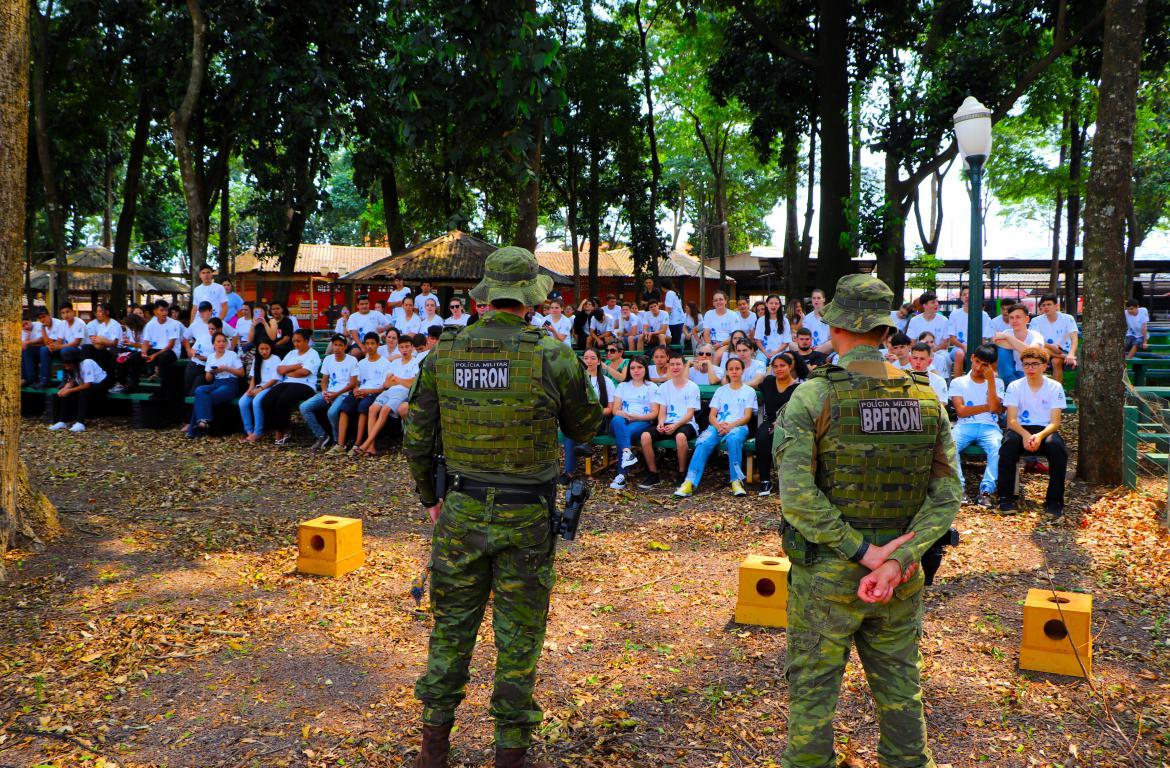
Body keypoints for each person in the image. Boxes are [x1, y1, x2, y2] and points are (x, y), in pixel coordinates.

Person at [403, 246, 602, 768]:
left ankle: (433, 749)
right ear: (531, 297)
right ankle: (510, 753)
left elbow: (417, 438)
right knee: (518, 636)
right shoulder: (552, 355)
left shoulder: (444, 352)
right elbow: (586, 429)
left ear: (486, 293)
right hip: (527, 516)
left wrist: (431, 499)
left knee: (450, 629)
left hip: (461, 510)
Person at [773, 273, 961, 768]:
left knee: (813, 699)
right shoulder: (926, 399)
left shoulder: (814, 397)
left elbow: (796, 495)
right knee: (902, 693)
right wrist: (898, 558)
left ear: (835, 326)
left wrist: (861, 551)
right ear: (883, 332)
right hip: (900, 578)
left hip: (828, 575)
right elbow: (947, 494)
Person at [998, 347, 1068, 516]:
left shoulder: (1054, 387)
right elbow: (1011, 420)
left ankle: (1054, 501)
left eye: (1035, 364)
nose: (1030, 368)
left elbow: (1055, 422)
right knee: (1008, 446)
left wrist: (1040, 436)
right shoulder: (1015, 386)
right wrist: (1025, 435)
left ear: (1045, 366)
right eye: (1026, 364)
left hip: (1045, 430)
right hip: (1020, 429)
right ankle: (1005, 498)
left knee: (1057, 448)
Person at [673, 356, 755, 498]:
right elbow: (712, 415)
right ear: (727, 372)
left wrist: (730, 426)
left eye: (737, 369)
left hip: (738, 426)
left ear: (743, 371)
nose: (734, 372)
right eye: (731, 369)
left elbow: (747, 416)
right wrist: (718, 426)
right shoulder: (721, 391)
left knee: (733, 440)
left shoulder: (749, 391)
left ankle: (736, 481)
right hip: (717, 426)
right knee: (703, 443)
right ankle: (689, 482)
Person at [948, 344, 1004, 507]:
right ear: (971, 358)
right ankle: (960, 488)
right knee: (950, 445)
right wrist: (988, 406)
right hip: (965, 426)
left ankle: (986, 491)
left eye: (984, 365)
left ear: (991, 366)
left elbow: (996, 408)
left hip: (989, 427)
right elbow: (961, 411)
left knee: (998, 447)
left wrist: (991, 381)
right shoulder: (959, 382)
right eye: (977, 362)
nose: (979, 367)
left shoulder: (998, 383)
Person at [640, 351, 700, 488]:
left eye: (678, 364)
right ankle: (653, 474)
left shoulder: (692, 387)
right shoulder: (664, 387)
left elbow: (690, 413)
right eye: (672, 364)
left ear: (684, 366)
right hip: (667, 422)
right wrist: (661, 423)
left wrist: (675, 425)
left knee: (680, 437)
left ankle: (682, 473)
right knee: (645, 436)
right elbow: (662, 410)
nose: (675, 367)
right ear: (668, 367)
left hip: (686, 423)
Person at [355, 333, 420, 456]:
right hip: (390, 391)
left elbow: (412, 384)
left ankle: (366, 444)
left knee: (385, 410)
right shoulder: (394, 363)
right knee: (372, 409)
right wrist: (400, 381)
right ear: (398, 348)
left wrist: (397, 380)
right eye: (401, 347)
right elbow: (386, 384)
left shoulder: (415, 363)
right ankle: (371, 447)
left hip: (402, 392)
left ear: (412, 347)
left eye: (407, 347)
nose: (404, 350)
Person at [560, 348, 612, 485]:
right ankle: (569, 472)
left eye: (593, 358)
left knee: (577, 426)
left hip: (599, 421)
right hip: (579, 421)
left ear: (599, 361)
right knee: (568, 430)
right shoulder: (576, 381)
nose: (588, 361)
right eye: (586, 358)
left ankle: (584, 444)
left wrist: (593, 413)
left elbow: (610, 409)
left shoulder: (607, 381)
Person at [261, 329, 321, 446]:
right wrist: (294, 367)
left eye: (299, 341)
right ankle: (285, 428)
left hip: (305, 385)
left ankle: (280, 434)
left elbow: (304, 372)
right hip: (287, 383)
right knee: (267, 401)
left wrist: (287, 371)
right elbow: (279, 369)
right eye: (294, 341)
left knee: (282, 401)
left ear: (307, 341)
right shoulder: (291, 353)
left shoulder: (313, 354)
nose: (296, 344)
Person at [299, 334, 358, 450]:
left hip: (343, 394)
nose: (337, 348)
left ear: (345, 347)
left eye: (340, 345)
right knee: (304, 407)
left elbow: (352, 383)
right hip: (329, 392)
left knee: (332, 413)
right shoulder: (328, 359)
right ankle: (321, 435)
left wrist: (335, 394)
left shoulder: (352, 360)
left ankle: (337, 441)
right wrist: (325, 392)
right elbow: (324, 380)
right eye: (335, 345)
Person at [608, 356, 659, 490]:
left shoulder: (651, 387)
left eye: (639, 367)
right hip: (622, 421)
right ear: (629, 370)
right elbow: (615, 410)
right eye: (632, 368)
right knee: (618, 420)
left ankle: (621, 476)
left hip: (642, 422)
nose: (636, 370)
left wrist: (637, 417)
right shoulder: (622, 386)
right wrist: (623, 414)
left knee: (624, 435)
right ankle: (627, 452)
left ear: (645, 369)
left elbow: (654, 413)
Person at [755, 351, 800, 496]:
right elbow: (755, 384)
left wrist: (781, 422)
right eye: (775, 366)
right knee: (762, 437)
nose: (779, 369)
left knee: (787, 438)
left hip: (789, 422)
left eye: (782, 365)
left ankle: (788, 480)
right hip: (770, 420)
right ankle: (765, 480)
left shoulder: (797, 387)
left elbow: (798, 411)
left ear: (790, 366)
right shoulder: (768, 382)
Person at [336, 332, 390, 452]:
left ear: (378, 345)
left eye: (372, 343)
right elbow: (356, 382)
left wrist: (368, 391)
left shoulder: (385, 363)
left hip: (374, 393)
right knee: (344, 408)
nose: (369, 346)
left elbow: (384, 387)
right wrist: (356, 390)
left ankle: (357, 443)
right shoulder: (361, 363)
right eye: (367, 343)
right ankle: (340, 444)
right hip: (360, 392)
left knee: (363, 407)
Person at [185, 332, 245, 437]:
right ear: (213, 344)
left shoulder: (232, 354)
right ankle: (203, 422)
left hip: (230, 384)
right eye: (218, 341)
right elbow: (208, 379)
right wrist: (211, 371)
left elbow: (241, 373)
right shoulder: (211, 357)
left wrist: (227, 368)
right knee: (199, 391)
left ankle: (197, 427)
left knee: (203, 398)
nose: (221, 344)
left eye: (223, 341)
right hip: (216, 382)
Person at [48, 346, 111, 433]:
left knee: (83, 391)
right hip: (86, 385)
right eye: (65, 365)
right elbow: (71, 381)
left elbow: (87, 385)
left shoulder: (87, 363)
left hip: (100, 385)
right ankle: (62, 421)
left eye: (68, 365)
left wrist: (69, 390)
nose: (67, 368)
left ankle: (80, 423)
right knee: (64, 392)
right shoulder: (70, 368)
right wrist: (64, 389)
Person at [132, 299, 184, 395]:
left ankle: (163, 389)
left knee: (162, 358)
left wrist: (155, 355)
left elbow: (170, 345)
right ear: (155, 311)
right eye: (161, 310)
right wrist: (143, 352)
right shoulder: (150, 324)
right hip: (156, 350)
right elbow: (146, 342)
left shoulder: (174, 324)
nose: (165, 313)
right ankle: (133, 385)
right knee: (134, 357)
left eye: (166, 310)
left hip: (171, 351)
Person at [239, 339, 282, 442]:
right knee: (243, 402)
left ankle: (258, 431)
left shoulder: (275, 359)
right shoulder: (257, 359)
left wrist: (260, 389)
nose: (264, 351)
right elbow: (254, 377)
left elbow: (274, 379)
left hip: (271, 387)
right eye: (261, 349)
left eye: (266, 348)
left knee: (257, 401)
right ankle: (249, 431)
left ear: (271, 348)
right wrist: (250, 389)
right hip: (259, 386)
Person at [1029, 293, 1079, 380]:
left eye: (1049, 304)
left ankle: (1057, 392)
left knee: (1056, 361)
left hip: (1064, 350)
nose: (1046, 307)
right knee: (1038, 350)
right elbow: (1034, 340)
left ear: (1056, 306)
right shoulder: (1036, 321)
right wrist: (1052, 347)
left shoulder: (1068, 318)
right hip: (1045, 349)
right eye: (1043, 305)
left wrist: (1071, 354)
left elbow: (1074, 338)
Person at [946, 286, 993, 377]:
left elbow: (983, 339)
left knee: (983, 356)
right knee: (959, 353)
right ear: (961, 298)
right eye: (964, 294)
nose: (967, 296)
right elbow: (952, 339)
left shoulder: (983, 315)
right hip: (959, 348)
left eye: (969, 294)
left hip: (977, 348)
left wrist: (977, 349)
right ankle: (957, 384)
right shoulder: (955, 314)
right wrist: (964, 346)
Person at [37, 302, 86, 388]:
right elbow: (59, 341)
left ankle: (66, 379)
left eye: (67, 312)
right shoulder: (63, 324)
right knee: (44, 349)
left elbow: (76, 343)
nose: (65, 315)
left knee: (65, 350)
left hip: (80, 350)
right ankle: (45, 380)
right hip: (66, 350)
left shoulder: (79, 323)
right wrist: (52, 346)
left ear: (73, 312)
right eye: (63, 313)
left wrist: (58, 346)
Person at [993, 303, 1044, 384]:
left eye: (1018, 317)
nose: (1014, 321)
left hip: (1029, 373)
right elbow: (996, 341)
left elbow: (1031, 353)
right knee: (1002, 350)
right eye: (1011, 318)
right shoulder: (1006, 332)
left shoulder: (1036, 336)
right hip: (1010, 373)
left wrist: (1009, 338)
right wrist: (1021, 347)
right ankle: (1010, 385)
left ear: (1027, 319)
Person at [183, 302, 217, 394]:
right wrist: (189, 351)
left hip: (207, 366)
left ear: (210, 311)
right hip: (194, 363)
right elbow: (185, 337)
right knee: (187, 390)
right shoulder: (196, 325)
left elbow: (234, 334)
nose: (202, 313)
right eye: (200, 311)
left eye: (204, 311)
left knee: (195, 391)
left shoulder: (219, 323)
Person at [83, 303, 121, 374]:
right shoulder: (98, 325)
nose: (98, 313)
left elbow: (114, 343)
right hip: (100, 349)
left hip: (114, 350)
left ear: (107, 312)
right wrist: (101, 341)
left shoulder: (115, 324)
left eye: (100, 311)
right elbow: (95, 341)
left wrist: (102, 341)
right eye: (96, 312)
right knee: (86, 347)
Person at [702, 292, 738, 365]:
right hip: (711, 343)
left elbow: (735, 336)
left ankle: (714, 375)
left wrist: (720, 344)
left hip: (727, 343)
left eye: (721, 299)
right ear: (713, 303)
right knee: (702, 355)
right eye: (716, 300)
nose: (718, 302)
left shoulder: (733, 315)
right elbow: (706, 333)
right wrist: (709, 346)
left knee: (716, 356)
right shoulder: (709, 314)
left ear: (725, 301)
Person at [754, 295, 791, 361]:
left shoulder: (785, 321)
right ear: (766, 304)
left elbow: (786, 342)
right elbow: (758, 341)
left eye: (776, 303)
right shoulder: (761, 320)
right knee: (760, 365)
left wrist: (775, 352)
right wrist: (765, 353)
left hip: (780, 351)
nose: (773, 305)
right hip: (763, 352)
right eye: (771, 303)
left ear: (779, 305)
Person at [20, 311, 44, 386]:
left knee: (27, 352)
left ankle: (29, 379)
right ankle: (25, 378)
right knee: (24, 352)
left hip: (43, 349)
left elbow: (41, 340)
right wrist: (28, 334)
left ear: (30, 321)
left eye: (26, 323)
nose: (26, 326)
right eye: (23, 325)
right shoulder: (23, 331)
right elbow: (23, 347)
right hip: (32, 350)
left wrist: (27, 343)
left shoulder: (38, 325)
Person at [661, 278, 685, 345]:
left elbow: (668, 309)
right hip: (680, 320)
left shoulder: (669, 293)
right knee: (677, 342)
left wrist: (664, 321)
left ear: (663, 286)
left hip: (673, 322)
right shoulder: (675, 293)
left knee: (673, 343)